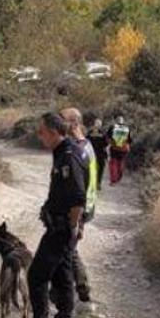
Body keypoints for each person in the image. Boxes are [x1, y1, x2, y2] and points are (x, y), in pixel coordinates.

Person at [10, 112, 87, 318]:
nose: (39, 135)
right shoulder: (63, 152)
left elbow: (78, 198)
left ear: (54, 132)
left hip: (61, 229)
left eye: (41, 131)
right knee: (63, 279)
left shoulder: (69, 156)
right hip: (61, 227)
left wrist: (70, 228)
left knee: (37, 275)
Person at [61, 107, 98, 302]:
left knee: (68, 249)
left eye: (62, 119)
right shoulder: (87, 145)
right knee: (69, 248)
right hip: (86, 207)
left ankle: (80, 288)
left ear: (74, 123)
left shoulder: (78, 150)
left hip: (79, 208)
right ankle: (78, 287)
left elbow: (79, 187)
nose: (58, 123)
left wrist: (77, 219)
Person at [87, 115, 110, 190]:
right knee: (98, 169)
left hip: (97, 154)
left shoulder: (90, 132)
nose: (97, 125)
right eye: (97, 124)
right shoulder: (102, 133)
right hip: (98, 154)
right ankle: (96, 183)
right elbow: (106, 143)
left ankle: (97, 183)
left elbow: (86, 141)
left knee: (97, 169)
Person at [108, 115, 132, 185]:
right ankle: (119, 178)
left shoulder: (112, 127)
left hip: (114, 148)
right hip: (123, 149)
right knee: (121, 164)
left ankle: (113, 180)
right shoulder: (127, 128)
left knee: (113, 164)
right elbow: (129, 140)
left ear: (116, 121)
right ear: (123, 122)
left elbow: (108, 137)